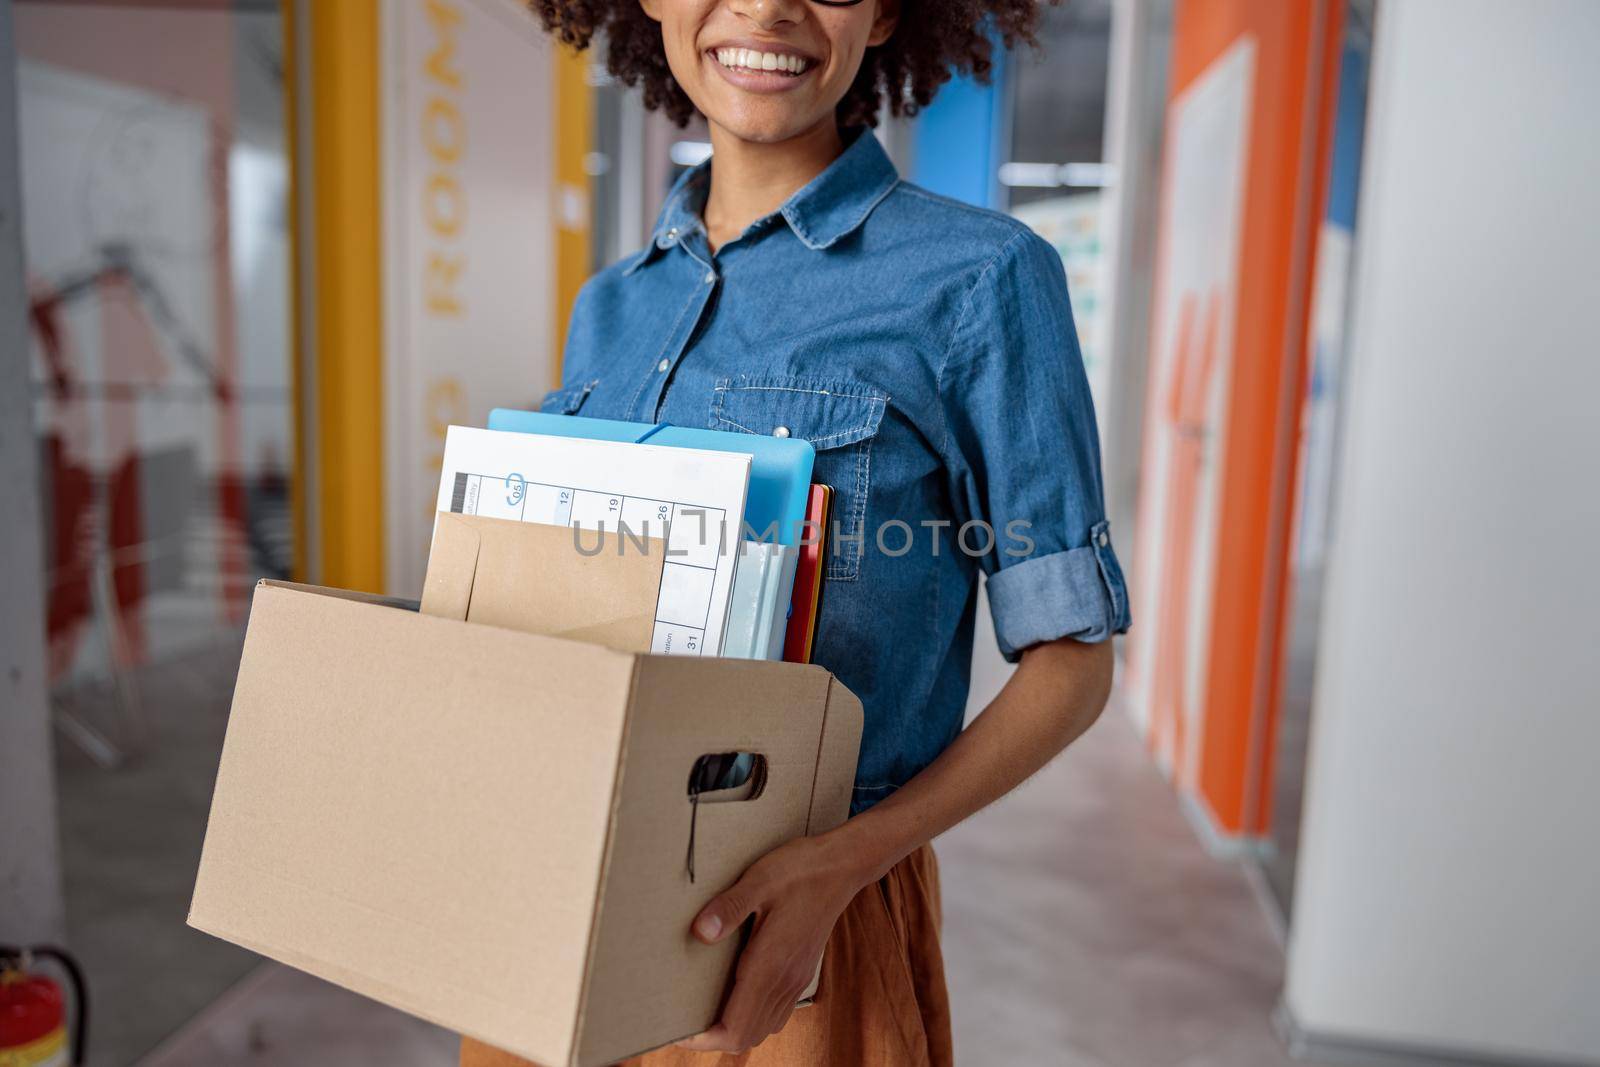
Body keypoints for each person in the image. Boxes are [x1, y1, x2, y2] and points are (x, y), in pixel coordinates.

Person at [464, 0, 1130, 1060]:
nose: (766, 6)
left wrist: (846, 861)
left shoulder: (981, 279)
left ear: (883, 14)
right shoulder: (613, 305)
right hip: (554, 891)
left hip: (799, 920)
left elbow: (1071, 665)